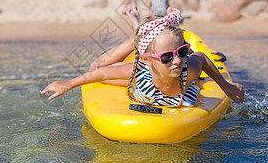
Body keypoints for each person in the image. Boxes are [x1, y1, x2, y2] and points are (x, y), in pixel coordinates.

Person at [41, 12, 244, 106]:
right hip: (145, 83)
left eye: (182, 52)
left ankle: (150, 41)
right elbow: (98, 72)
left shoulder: (188, 70)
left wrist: (227, 87)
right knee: (96, 66)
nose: (176, 61)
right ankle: (133, 39)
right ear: (147, 60)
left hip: (168, 83)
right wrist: (67, 85)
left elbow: (201, 58)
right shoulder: (138, 71)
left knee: (178, 58)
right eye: (166, 57)